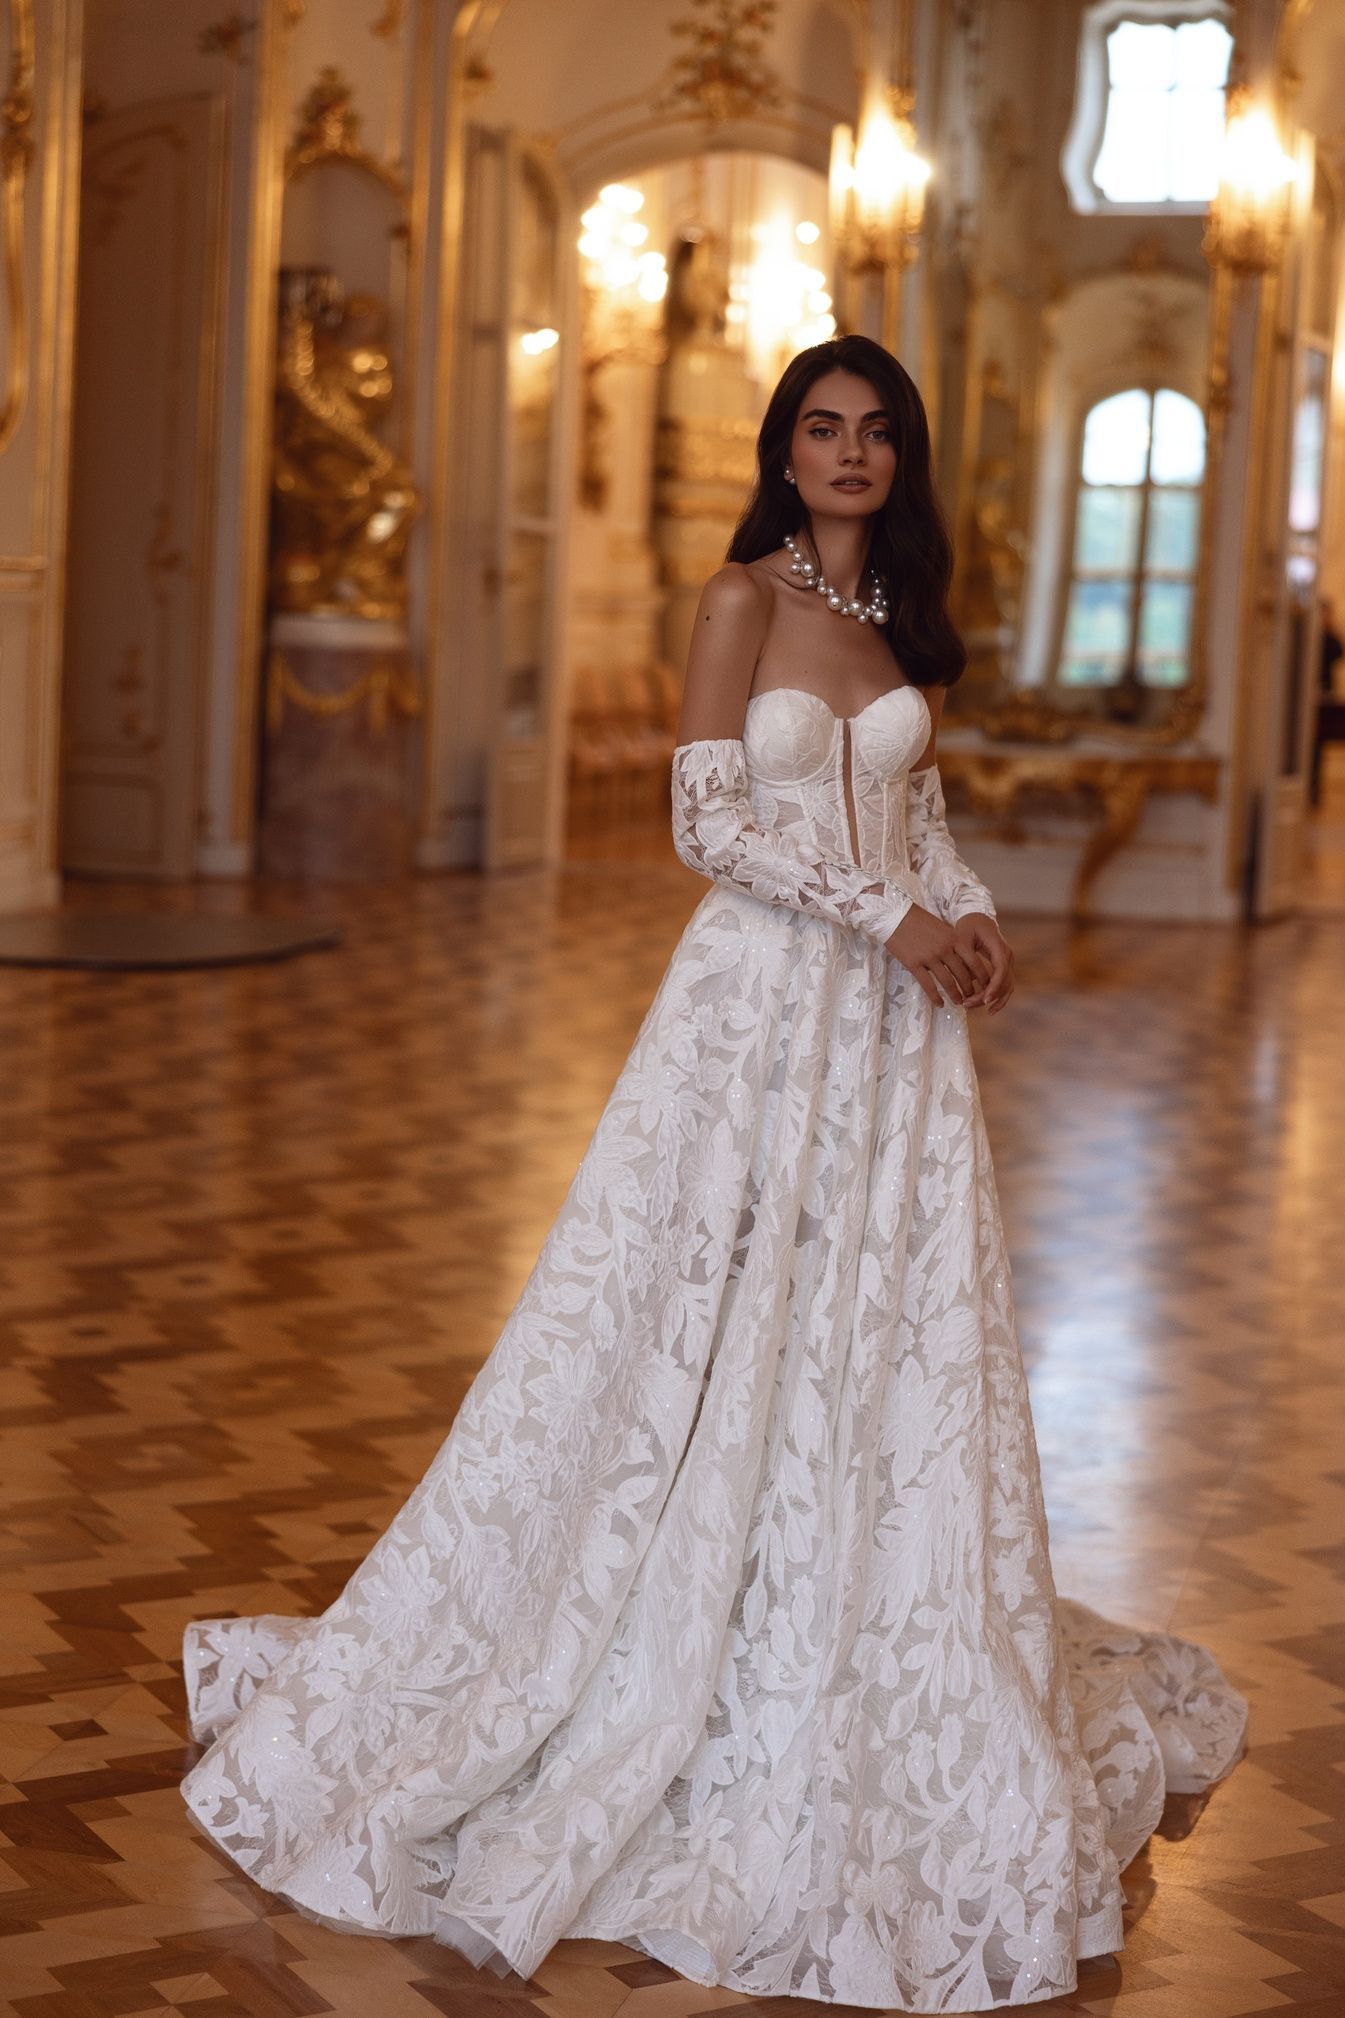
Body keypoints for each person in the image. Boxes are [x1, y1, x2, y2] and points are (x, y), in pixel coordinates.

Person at [180, 334, 1247, 2012]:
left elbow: (924, 816)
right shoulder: (737, 599)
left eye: (874, 431)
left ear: (898, 459)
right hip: (756, 1011)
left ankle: (826, 1599)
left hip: (890, 1033)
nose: (847, 453)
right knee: (706, 1297)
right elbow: (706, 824)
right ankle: (639, 1620)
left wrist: (966, 911)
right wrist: (885, 916)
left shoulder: (901, 623)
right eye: (821, 428)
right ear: (784, 450)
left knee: (868, 1320)